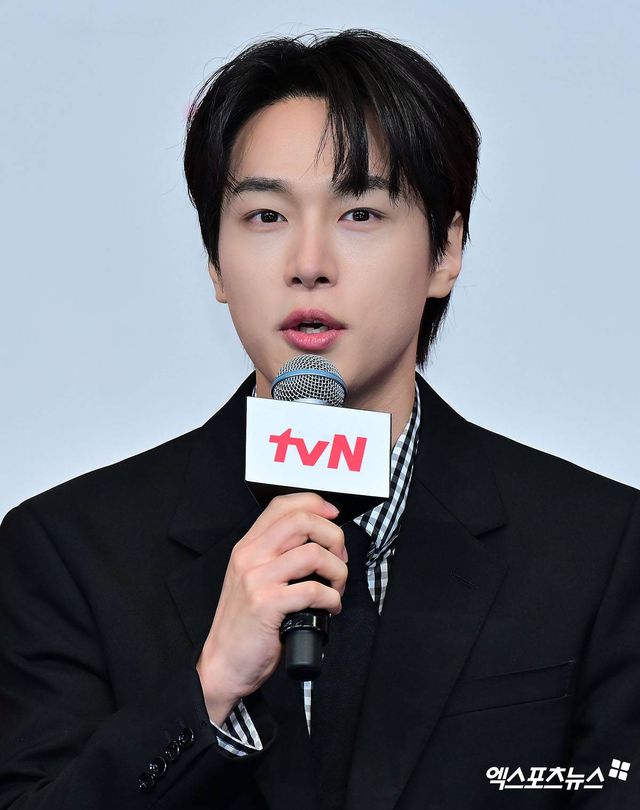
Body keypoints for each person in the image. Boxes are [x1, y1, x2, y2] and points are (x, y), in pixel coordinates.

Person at [0, 27, 638, 810]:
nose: (308, 263)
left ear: (446, 249)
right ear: (215, 262)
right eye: (266, 216)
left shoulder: (600, 548)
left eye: (360, 213)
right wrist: (208, 693)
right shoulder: (66, 553)